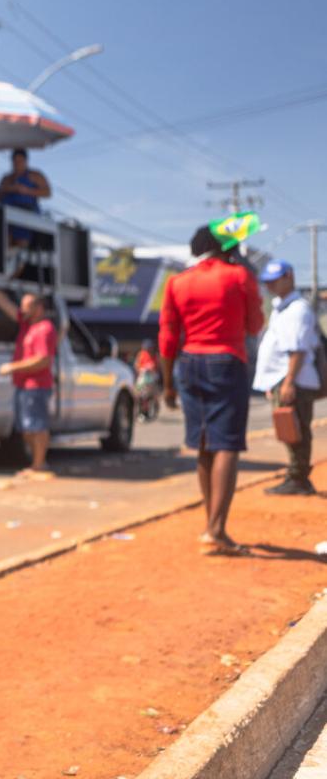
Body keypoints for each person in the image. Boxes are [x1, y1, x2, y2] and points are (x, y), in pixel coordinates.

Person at [159, 226, 263, 555]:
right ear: (227, 248)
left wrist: (167, 384)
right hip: (226, 360)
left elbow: (167, 337)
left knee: (203, 442)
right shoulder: (237, 277)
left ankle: (211, 525)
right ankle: (216, 529)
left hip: (188, 363)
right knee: (227, 445)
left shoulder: (177, 281)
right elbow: (255, 324)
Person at [0, 271, 57, 479]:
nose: (22, 309)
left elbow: (43, 360)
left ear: (39, 308)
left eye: (27, 306)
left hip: (36, 385)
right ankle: (37, 463)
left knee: (37, 426)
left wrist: (13, 367)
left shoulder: (44, 329)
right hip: (23, 385)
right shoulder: (26, 324)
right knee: (26, 427)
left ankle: (39, 464)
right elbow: (6, 306)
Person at [253, 259, 320, 496]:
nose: (271, 286)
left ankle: (298, 477)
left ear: (289, 277)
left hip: (295, 380)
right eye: (268, 282)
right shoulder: (281, 307)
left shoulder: (297, 309)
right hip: (283, 379)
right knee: (288, 428)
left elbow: (297, 349)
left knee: (296, 428)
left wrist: (289, 381)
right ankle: (295, 475)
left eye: (275, 280)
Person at [0, 149, 52, 247]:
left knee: (21, 243)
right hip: (6, 214)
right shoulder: (6, 178)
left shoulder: (34, 175)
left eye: (20, 161)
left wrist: (27, 191)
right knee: (4, 241)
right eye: (15, 162)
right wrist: (7, 189)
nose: (17, 164)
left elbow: (47, 192)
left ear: (26, 162)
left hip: (26, 214)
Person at [134, 341, 162, 422]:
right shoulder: (141, 354)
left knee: (153, 396)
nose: (149, 350)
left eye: (150, 348)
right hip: (143, 378)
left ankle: (152, 411)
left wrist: (153, 370)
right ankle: (141, 412)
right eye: (147, 348)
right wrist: (142, 370)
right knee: (141, 396)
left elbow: (158, 366)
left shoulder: (155, 355)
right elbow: (137, 366)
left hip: (153, 378)